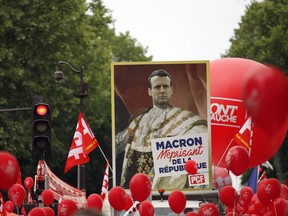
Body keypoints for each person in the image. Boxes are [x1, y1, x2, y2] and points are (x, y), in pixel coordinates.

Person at [116, 69, 207, 189]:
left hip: (166, 193)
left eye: (165, 86)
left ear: (171, 90)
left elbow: (201, 138)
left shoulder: (187, 119)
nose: (162, 91)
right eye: (157, 87)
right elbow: (117, 145)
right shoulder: (137, 122)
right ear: (150, 91)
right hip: (132, 193)